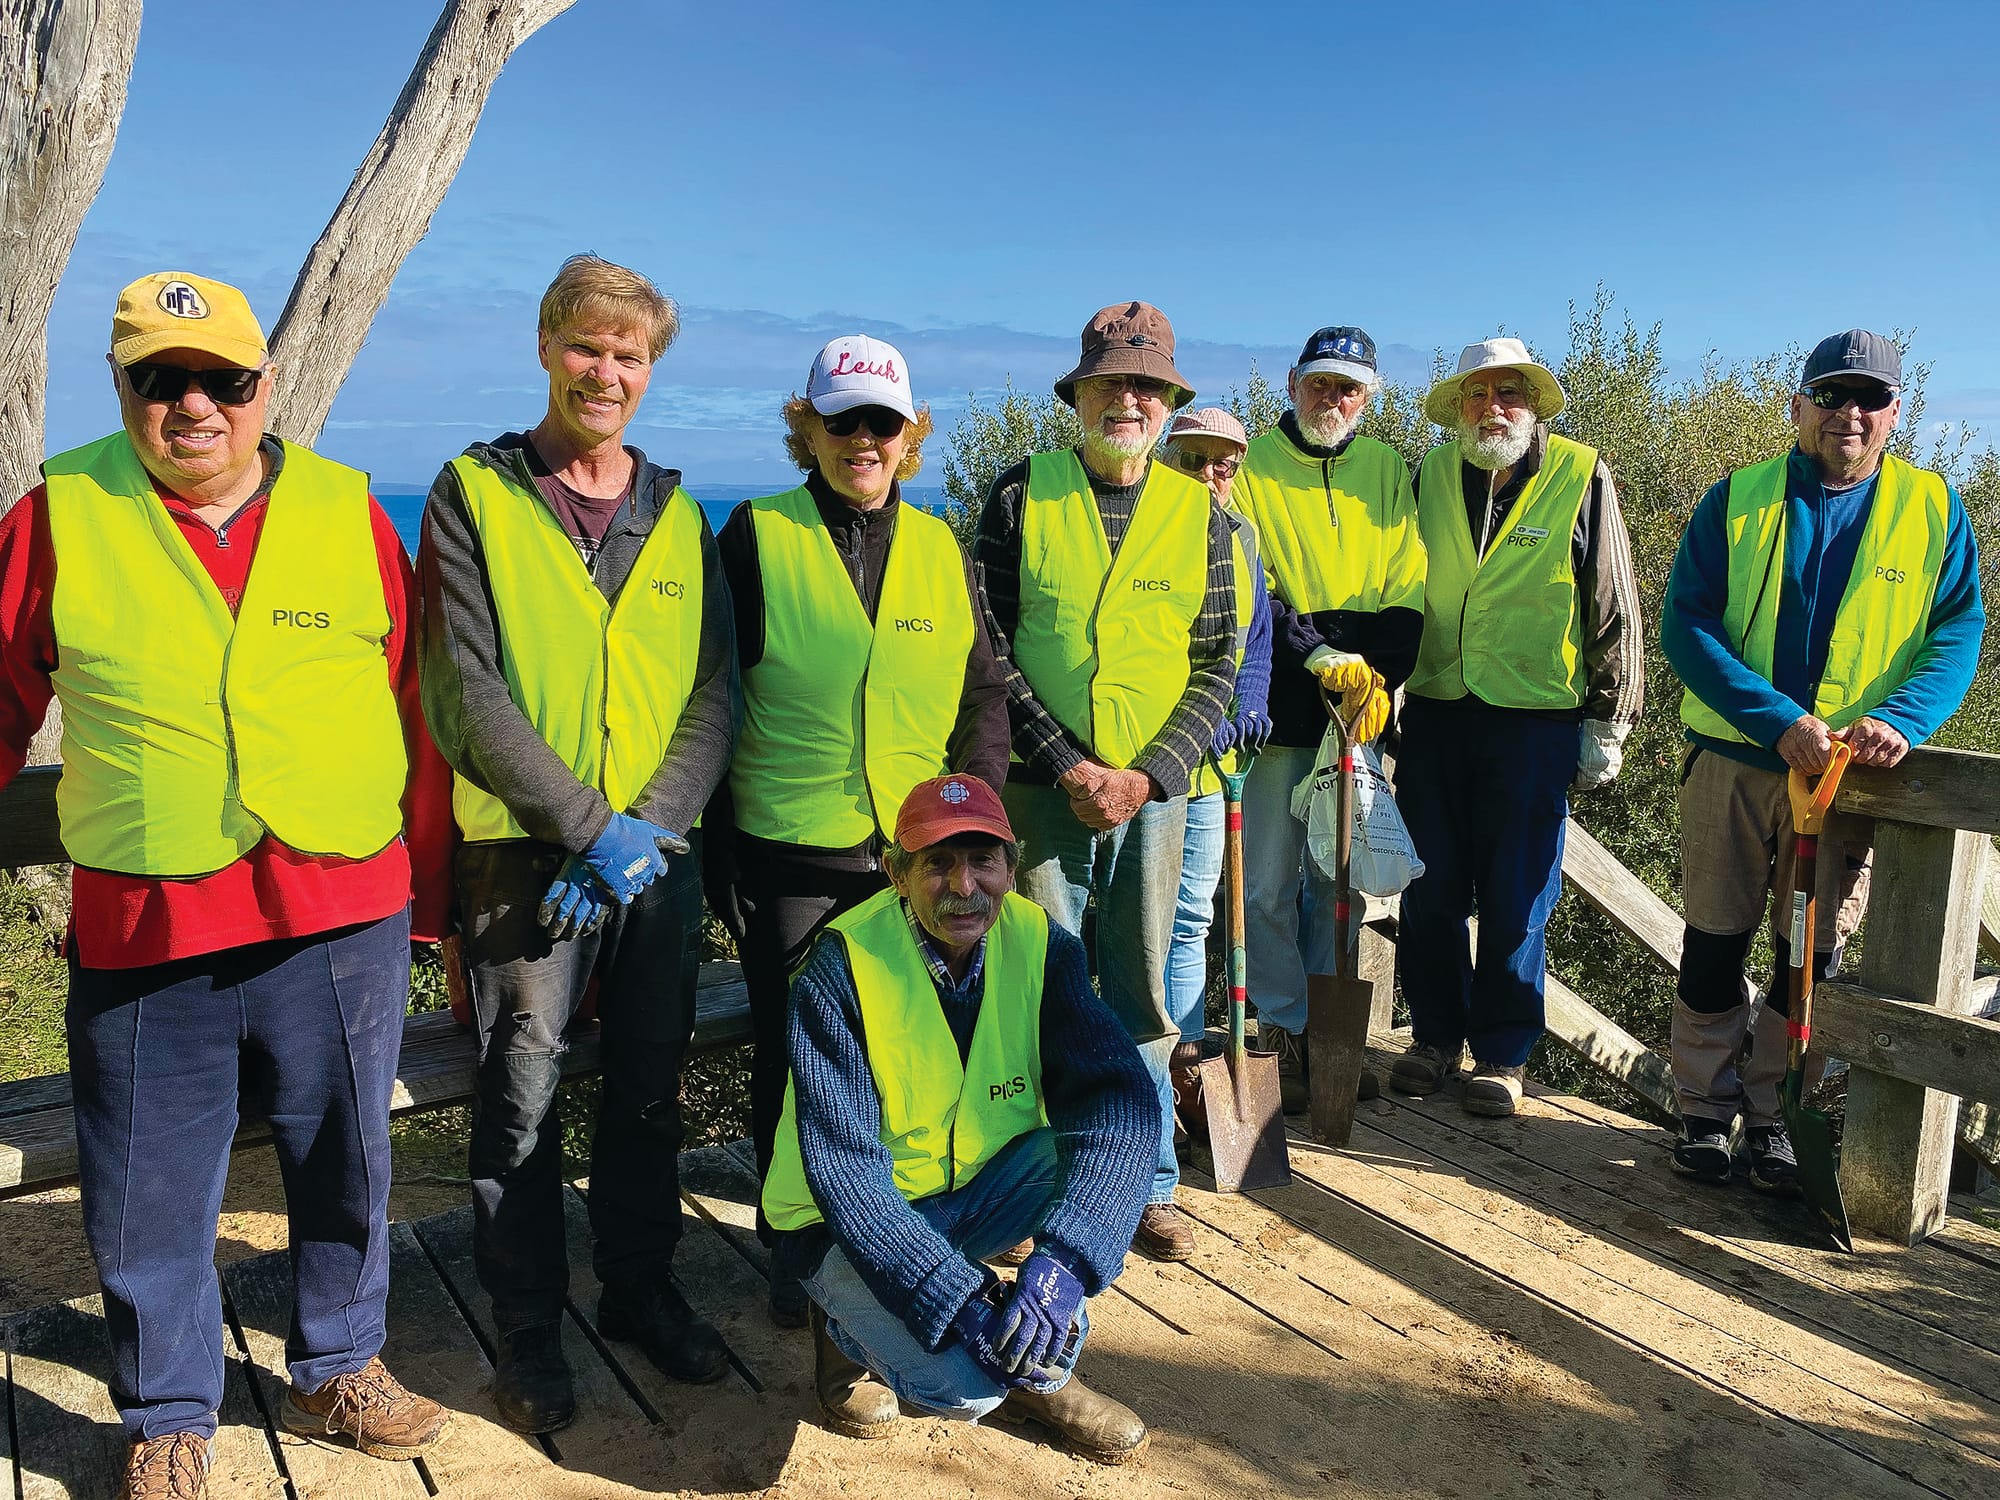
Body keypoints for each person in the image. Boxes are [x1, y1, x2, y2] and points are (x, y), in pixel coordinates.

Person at [0, 271, 452, 1498]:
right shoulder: (58, 516)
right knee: (148, 1188)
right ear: (125, 390)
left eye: (222, 378)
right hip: (151, 923)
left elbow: (417, 710)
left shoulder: (351, 513)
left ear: (265, 386)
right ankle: (168, 1415)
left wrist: (439, 907)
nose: (195, 403)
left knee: (349, 1160)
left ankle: (340, 1360)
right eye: (162, 379)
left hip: (343, 915)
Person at [416, 255, 738, 1433]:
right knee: (520, 1099)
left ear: (650, 371)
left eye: (629, 356)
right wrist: (588, 827)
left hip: (654, 864)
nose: (606, 373)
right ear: (547, 345)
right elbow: (462, 690)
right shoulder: (473, 492)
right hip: (523, 861)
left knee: (649, 1089)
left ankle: (639, 1291)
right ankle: (529, 1330)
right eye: (587, 348)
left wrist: (647, 831)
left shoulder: (679, 508)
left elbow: (713, 692)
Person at [704, 334, 1010, 1325]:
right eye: (840, 421)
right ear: (807, 427)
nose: (861, 440)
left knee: (912, 1065)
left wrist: (975, 831)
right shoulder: (754, 535)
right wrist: (714, 857)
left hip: (915, 868)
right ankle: (799, 1261)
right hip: (789, 856)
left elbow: (983, 700)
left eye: (881, 422)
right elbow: (704, 701)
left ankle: (900, 1244)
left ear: (910, 434)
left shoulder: (942, 548)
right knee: (798, 1073)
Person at [1660, 329, 1984, 1187]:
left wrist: (1905, 720)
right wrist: (1774, 720)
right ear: (1796, 405)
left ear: (1895, 414)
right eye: (1832, 395)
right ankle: (1703, 1108)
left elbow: (1958, 629)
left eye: (1868, 399)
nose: (1850, 413)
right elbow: (1685, 624)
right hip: (1736, 758)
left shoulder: (1934, 508)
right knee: (1714, 939)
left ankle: (1775, 1113)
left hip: (1848, 775)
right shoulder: (1735, 499)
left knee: (1809, 953)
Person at [763, 774, 1157, 1465]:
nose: (964, 885)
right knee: (965, 1385)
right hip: (841, 1223)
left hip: (973, 1188)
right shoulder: (840, 967)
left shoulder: (1042, 944)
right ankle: (845, 1329)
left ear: (1011, 865)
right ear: (896, 874)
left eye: (983, 860)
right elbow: (848, 1179)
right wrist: (961, 1301)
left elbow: (1118, 1103)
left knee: (1086, 1154)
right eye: (937, 862)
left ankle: (1039, 1370)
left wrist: (1063, 1267)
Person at [972, 302, 1236, 1262]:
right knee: (1040, 983)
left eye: (1147, 386)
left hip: (1152, 801)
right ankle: (1036, 1184)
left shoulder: (1204, 515)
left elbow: (1217, 662)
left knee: (1141, 992)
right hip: (1041, 794)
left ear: (1169, 404)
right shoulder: (1018, 495)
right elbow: (988, 647)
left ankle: (1145, 1183)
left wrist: (1149, 775)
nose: (1128, 399)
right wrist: (1067, 763)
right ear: (1077, 394)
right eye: (1111, 382)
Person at [1393, 338, 1644, 1117]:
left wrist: (1612, 720)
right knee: (1426, 888)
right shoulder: (1429, 472)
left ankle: (1501, 1055)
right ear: (1458, 408)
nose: (1492, 407)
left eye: (1509, 393)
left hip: (1534, 717)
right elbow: (1396, 580)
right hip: (1433, 711)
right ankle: (1433, 1037)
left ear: (1533, 405)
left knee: (1517, 894)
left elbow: (1615, 607)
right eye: (1477, 395)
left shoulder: (1580, 472)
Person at [1229, 327, 1424, 1106]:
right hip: (1281, 710)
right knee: (1271, 884)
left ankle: (1328, 1038)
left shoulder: (1384, 469)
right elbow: (1255, 582)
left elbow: (1408, 577)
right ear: (1291, 384)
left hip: (1358, 714)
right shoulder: (1254, 468)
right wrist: (1313, 655)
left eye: (1349, 390)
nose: (1332, 401)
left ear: (1368, 398)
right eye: (1320, 385)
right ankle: (1280, 1029)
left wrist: (1381, 674)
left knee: (1337, 885)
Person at [1158, 408, 1273, 1107]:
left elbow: (1254, 637)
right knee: (1140, 926)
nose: (1209, 476)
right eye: (1193, 460)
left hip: (1212, 772)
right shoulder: (1147, 536)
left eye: (1223, 466)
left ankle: (1187, 1067)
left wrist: (1249, 704)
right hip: (1152, 766)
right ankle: (1138, 1076)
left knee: (1194, 919)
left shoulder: (1242, 536)